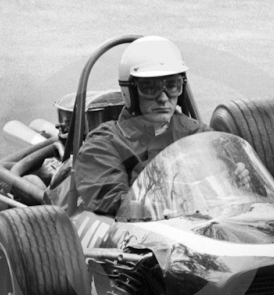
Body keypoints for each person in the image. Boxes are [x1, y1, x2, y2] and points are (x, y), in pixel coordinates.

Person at [73, 36, 213, 216]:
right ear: (130, 91)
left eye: (172, 86)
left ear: (182, 88)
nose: (163, 98)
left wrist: (237, 175)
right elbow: (113, 201)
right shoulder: (103, 144)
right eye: (150, 88)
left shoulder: (198, 134)